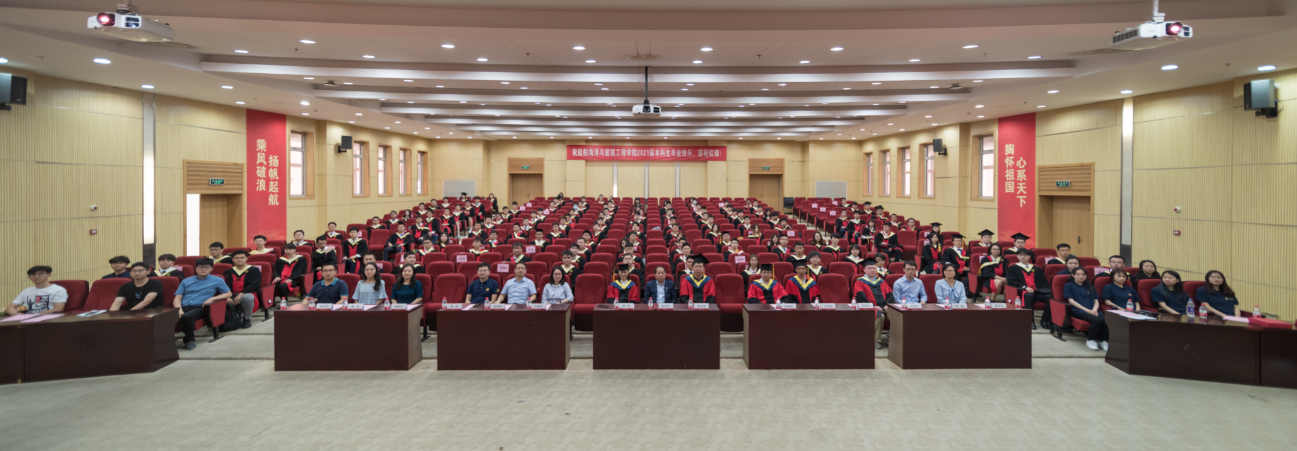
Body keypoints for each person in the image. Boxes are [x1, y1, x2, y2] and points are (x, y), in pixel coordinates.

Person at [174, 258, 232, 350]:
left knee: (187, 316)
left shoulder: (218, 280)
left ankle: (189, 340)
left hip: (200, 307)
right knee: (162, 317)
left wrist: (212, 298)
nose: (203, 269)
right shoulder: (186, 281)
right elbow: (177, 297)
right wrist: (179, 309)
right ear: (196, 268)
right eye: (200, 267)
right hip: (183, 306)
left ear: (211, 268)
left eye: (206, 267)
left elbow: (228, 294)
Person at [1064, 267, 1109, 351]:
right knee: (1097, 320)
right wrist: (1087, 310)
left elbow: (1096, 300)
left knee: (1106, 319)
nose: (1081, 276)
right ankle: (1090, 340)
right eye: (1078, 274)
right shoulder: (1069, 286)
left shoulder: (1090, 286)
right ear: (1073, 275)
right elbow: (1071, 301)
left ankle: (1104, 341)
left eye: (1083, 275)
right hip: (1079, 311)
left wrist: (1094, 310)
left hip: (1093, 310)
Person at [1006, 248, 1051, 330]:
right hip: (1022, 291)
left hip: (1037, 291)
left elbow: (1043, 282)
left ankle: (1044, 320)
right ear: (1017, 256)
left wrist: (1040, 290)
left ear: (1029, 256)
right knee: (1029, 295)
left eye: (1025, 255)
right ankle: (1030, 321)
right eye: (1020, 255)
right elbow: (1011, 282)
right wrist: (1025, 287)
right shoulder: (1013, 268)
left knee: (1050, 297)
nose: (1023, 257)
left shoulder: (1037, 268)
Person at [852, 260, 892, 349]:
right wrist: (873, 306)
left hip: (884, 307)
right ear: (864, 270)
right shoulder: (859, 281)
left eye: (874, 268)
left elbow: (890, 294)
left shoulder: (882, 281)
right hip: (869, 307)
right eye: (869, 268)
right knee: (879, 316)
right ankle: (876, 340)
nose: (872, 270)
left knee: (896, 315)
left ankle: (895, 339)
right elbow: (860, 297)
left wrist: (887, 305)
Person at [221, 251, 259, 327]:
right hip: (231, 294)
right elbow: (224, 286)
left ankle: (246, 319)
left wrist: (240, 295)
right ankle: (227, 320)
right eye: (237, 258)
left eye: (242, 258)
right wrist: (227, 297)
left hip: (247, 293)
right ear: (233, 259)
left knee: (247, 297)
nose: (239, 259)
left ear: (246, 258)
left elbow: (254, 284)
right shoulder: (228, 271)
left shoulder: (254, 270)